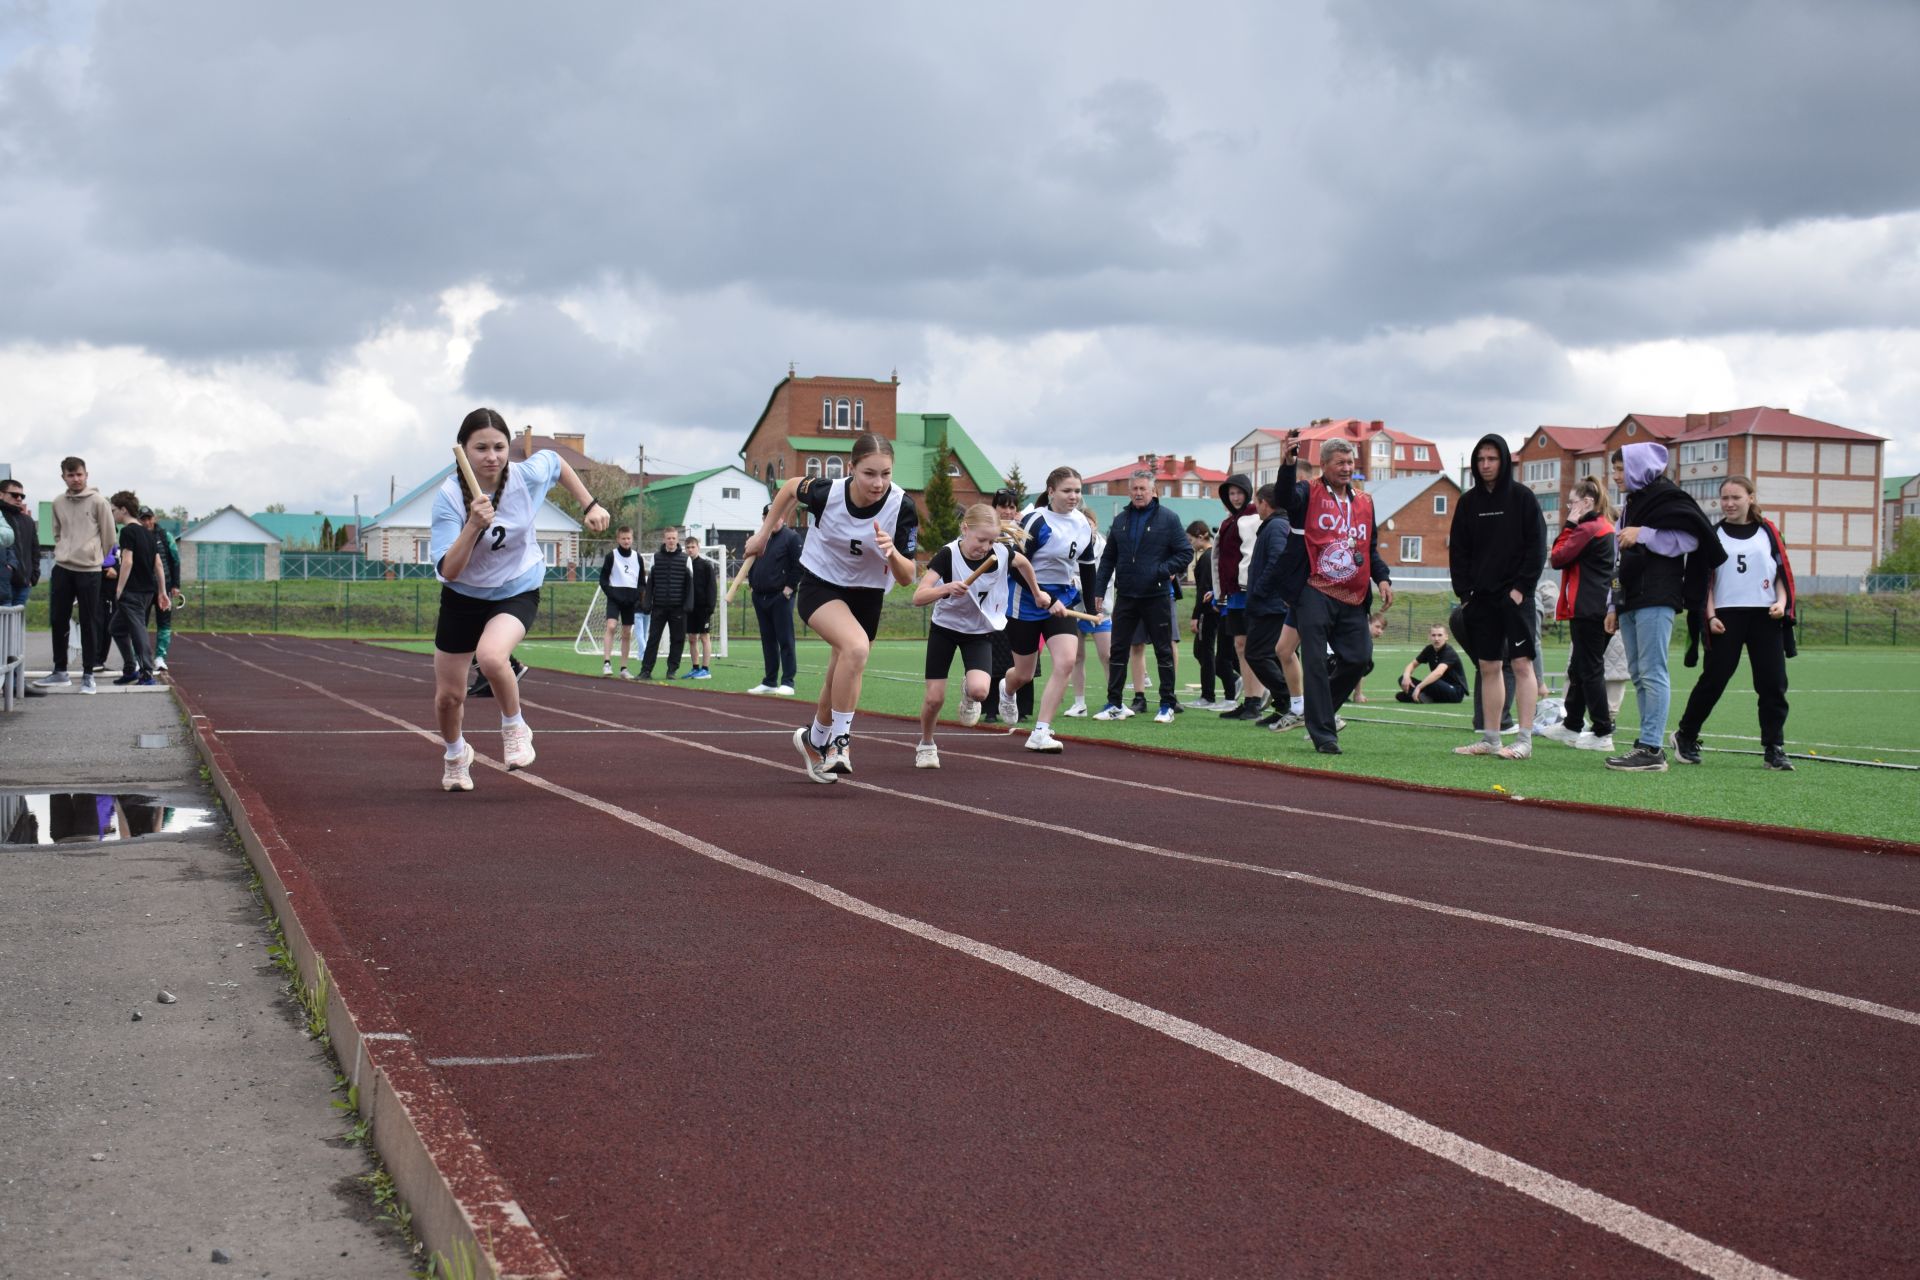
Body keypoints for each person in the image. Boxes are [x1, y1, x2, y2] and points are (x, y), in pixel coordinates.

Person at [431, 407, 610, 791]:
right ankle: (455, 753)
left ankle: (514, 727)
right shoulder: (448, 498)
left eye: (499, 446)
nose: (492, 457)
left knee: (493, 657)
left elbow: (557, 461)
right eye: (481, 448)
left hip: (516, 587)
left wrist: (589, 504)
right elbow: (450, 570)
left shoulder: (524, 476)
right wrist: (472, 526)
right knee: (449, 697)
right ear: (463, 450)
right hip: (463, 595)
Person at [742, 432, 919, 784]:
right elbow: (791, 486)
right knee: (855, 648)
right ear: (851, 469)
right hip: (820, 583)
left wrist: (892, 553)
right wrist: (763, 534)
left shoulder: (903, 507)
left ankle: (815, 739)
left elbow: (906, 576)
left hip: (867, 594)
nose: (879, 482)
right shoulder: (827, 492)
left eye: (886, 473)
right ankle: (840, 744)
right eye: (869, 473)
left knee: (844, 664)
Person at [911, 504, 1059, 767]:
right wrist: (945, 588)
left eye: (991, 540)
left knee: (980, 691)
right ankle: (926, 744)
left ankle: (968, 691)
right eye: (981, 540)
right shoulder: (948, 554)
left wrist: (1037, 593)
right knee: (934, 698)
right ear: (965, 529)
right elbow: (918, 596)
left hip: (978, 631)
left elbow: (1023, 563)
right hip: (944, 629)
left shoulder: (1000, 553)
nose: (986, 547)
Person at [1671, 476, 1798, 771]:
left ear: (1750, 498)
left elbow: (1781, 573)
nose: (1729, 503)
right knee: (1715, 679)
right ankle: (1686, 735)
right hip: (1726, 617)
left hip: (1766, 616)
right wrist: (1711, 615)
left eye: (1736, 497)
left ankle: (1774, 747)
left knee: (1773, 683)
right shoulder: (1713, 534)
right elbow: (1707, 582)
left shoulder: (1768, 532)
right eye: (1724, 498)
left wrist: (1781, 602)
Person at [1606, 443, 1720, 772]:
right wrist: (1612, 603)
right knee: (1640, 673)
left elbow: (1692, 539)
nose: (1615, 477)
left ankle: (1653, 747)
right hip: (1628, 599)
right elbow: (1618, 559)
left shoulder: (1668, 498)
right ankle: (1646, 743)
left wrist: (1645, 534)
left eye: (1620, 469)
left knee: (1653, 671)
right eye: (1614, 470)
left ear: (1639, 468)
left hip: (1657, 596)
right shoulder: (1630, 505)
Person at [1276, 438, 1392, 753]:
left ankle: (1317, 710)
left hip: (1354, 594)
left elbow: (1369, 548)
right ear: (1324, 465)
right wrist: (1286, 464)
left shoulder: (1365, 501)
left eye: (1350, 462)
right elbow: (1283, 497)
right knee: (1314, 660)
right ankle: (1324, 734)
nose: (1346, 468)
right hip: (1313, 588)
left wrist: (1382, 578)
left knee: (1358, 659)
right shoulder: (1307, 490)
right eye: (1339, 462)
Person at [1449, 434, 1547, 760]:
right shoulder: (1468, 503)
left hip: (1516, 597)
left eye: (1492, 459)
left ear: (1503, 462)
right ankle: (1491, 738)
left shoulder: (1523, 498)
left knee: (1521, 664)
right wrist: (1465, 595)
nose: (1486, 465)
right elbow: (1459, 552)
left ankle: (1524, 740)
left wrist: (1522, 589)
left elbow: (1536, 548)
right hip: (1480, 600)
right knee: (1488, 666)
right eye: (1481, 460)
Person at [1002, 471, 1097, 752]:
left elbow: (1088, 567)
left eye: (1078, 491)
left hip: (1061, 600)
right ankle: (1006, 691)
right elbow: (1015, 565)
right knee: (1024, 674)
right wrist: (1040, 594)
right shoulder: (1036, 521)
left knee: (1066, 661)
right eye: (1067, 491)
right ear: (1051, 491)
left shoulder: (1082, 524)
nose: (1074, 497)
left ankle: (1040, 731)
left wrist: (1091, 609)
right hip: (1025, 600)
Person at [1092, 470, 1193, 724]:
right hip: (1126, 595)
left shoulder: (1169, 519)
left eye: (1143, 489)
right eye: (1134, 489)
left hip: (1156, 595)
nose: (1138, 493)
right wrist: (1098, 590)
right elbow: (1108, 559)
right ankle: (1114, 703)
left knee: (1162, 650)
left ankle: (1167, 705)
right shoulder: (1120, 520)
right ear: (1129, 491)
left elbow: (1185, 553)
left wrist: (1161, 571)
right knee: (1118, 650)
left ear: (1153, 491)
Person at [1538, 477, 1618, 752]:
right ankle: (1572, 724)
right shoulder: (1604, 526)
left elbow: (1557, 557)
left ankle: (1602, 730)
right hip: (1595, 606)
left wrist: (1570, 524)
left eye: (1572, 503)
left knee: (1590, 668)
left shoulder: (1589, 527)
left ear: (1587, 503)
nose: (1568, 508)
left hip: (1589, 608)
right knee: (1580, 667)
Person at [34, 459, 118, 693]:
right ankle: (60, 671)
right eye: (70, 475)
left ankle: (88, 674)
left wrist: (94, 556)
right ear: (63, 477)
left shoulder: (99, 502)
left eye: (79, 475)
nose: (76, 479)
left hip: (89, 570)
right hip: (63, 567)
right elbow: (57, 532)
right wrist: (64, 550)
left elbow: (109, 536)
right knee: (59, 619)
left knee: (90, 622)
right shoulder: (58, 502)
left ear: (86, 475)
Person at [1212, 474, 1268, 721]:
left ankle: (1259, 699)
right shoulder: (1229, 521)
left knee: (1252, 647)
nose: (1235, 498)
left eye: (1239, 493)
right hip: (1233, 593)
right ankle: (1249, 699)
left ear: (1247, 492)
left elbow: (1253, 555)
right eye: (1231, 494)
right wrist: (1219, 592)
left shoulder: (1255, 518)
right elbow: (1219, 560)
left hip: (1249, 591)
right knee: (1240, 646)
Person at [1237, 485, 1295, 717]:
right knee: (1267, 654)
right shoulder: (1273, 526)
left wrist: (1259, 590)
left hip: (1271, 605)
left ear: (1264, 503)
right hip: (1269, 603)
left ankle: (1289, 698)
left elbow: (1278, 561)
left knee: (1257, 654)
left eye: (1256, 503)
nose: (1255, 508)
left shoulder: (1277, 526)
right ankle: (1285, 703)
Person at [983, 488, 1035, 725]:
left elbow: (1027, 565)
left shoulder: (1023, 534)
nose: (1007, 511)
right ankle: (990, 708)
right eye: (1003, 506)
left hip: (1019, 601)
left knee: (1022, 655)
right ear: (993, 508)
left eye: (1012, 507)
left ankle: (1022, 707)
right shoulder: (984, 532)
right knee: (994, 655)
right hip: (992, 602)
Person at [105, 491, 165, 686]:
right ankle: (130, 668)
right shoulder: (148, 534)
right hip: (148, 591)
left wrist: (119, 589)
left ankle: (147, 672)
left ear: (123, 510)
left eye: (113, 510)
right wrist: (162, 591)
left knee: (138, 630)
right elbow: (158, 564)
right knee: (116, 628)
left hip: (133, 591)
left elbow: (127, 561)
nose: (112, 514)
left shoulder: (128, 531)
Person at [746, 502, 803, 695]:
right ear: (764, 519)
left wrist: (789, 588)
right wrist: (752, 583)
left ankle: (788, 681)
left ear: (782, 518)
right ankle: (769, 680)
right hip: (760, 597)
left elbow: (799, 565)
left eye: (778, 516)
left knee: (785, 639)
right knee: (767, 640)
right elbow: (750, 562)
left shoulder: (792, 538)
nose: (774, 520)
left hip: (780, 597)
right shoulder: (759, 538)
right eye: (769, 516)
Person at [1185, 522, 1239, 710]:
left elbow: (1204, 589)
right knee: (1206, 652)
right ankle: (1229, 683)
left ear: (1201, 536)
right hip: (1212, 609)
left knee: (1206, 652)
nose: (1190, 543)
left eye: (1191, 539)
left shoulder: (1208, 557)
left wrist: (1195, 615)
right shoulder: (1208, 557)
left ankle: (1212, 692)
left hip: (1210, 612)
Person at [1064, 530, 1110, 718]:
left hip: (1101, 609)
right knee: (1076, 657)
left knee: (1108, 655)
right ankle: (1079, 703)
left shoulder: (1104, 547)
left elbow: (1104, 577)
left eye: (1089, 525)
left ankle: (1115, 701)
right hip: (1075, 608)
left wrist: (1080, 583)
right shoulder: (1071, 545)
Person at [638, 526, 691, 680]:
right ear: (664, 539)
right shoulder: (656, 557)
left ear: (677, 539)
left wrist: (687, 606)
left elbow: (689, 585)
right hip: (659, 607)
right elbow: (650, 584)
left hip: (678, 609)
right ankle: (646, 671)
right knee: (653, 639)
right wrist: (647, 603)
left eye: (674, 538)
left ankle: (672, 671)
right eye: (668, 538)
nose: (671, 541)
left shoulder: (686, 559)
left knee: (677, 640)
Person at [598, 524, 645, 679]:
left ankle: (624, 668)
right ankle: (607, 663)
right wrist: (612, 594)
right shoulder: (611, 556)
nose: (626, 541)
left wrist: (637, 597)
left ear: (632, 539)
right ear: (618, 539)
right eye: (623, 538)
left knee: (626, 633)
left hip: (630, 599)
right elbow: (603, 579)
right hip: (615, 597)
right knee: (611, 626)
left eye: (629, 538)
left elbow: (641, 582)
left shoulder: (637, 557)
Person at [140, 508, 182, 674]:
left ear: (154, 518)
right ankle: (140, 659)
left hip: (164, 587)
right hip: (142, 588)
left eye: (149, 518)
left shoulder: (166, 536)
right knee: (140, 624)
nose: (147, 522)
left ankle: (160, 657)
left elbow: (175, 561)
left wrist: (175, 585)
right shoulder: (137, 536)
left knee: (164, 623)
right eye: (143, 519)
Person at [1398, 624, 1468, 703]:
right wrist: (1406, 676)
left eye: (1440, 635)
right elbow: (1413, 664)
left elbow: (1438, 673)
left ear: (1446, 637)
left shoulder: (1449, 652)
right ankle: (1424, 697)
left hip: (1455, 692)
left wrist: (1418, 687)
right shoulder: (1429, 649)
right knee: (1402, 679)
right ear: (1429, 637)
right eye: (1433, 635)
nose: (1436, 638)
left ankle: (1418, 695)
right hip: (1437, 687)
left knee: (1432, 681)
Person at [1, 475, 39, 610]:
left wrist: (33, 576)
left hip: (23, 583)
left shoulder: (28, 520)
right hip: (3, 582)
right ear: (1, 494)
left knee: (15, 626)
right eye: (14, 494)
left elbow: (35, 550)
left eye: (22, 496)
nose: (19, 498)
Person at [682, 536, 717, 679]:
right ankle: (695, 668)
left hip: (703, 608)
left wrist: (710, 607)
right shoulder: (684, 565)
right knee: (691, 638)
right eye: (688, 547)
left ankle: (705, 669)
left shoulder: (706, 565)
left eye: (693, 547)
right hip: (690, 608)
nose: (690, 550)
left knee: (704, 637)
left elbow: (712, 587)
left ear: (698, 547)